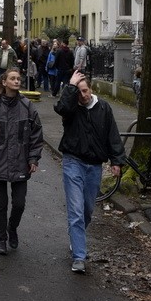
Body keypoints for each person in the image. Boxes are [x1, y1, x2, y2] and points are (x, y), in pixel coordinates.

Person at [54, 69, 124, 274]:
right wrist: (70, 86)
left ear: (91, 89)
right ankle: (79, 256)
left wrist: (116, 160)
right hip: (72, 161)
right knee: (75, 211)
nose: (82, 95)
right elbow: (61, 108)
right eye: (78, 92)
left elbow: (113, 135)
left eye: (84, 91)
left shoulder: (103, 108)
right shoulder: (72, 108)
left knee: (87, 210)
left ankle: (76, 239)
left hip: (94, 165)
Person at [0, 69, 43, 255]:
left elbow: (36, 133)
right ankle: (1, 239)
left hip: (20, 161)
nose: (17, 81)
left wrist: (33, 157)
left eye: (18, 78)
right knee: (1, 205)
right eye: (12, 78)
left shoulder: (27, 106)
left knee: (19, 204)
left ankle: (12, 228)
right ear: (4, 82)